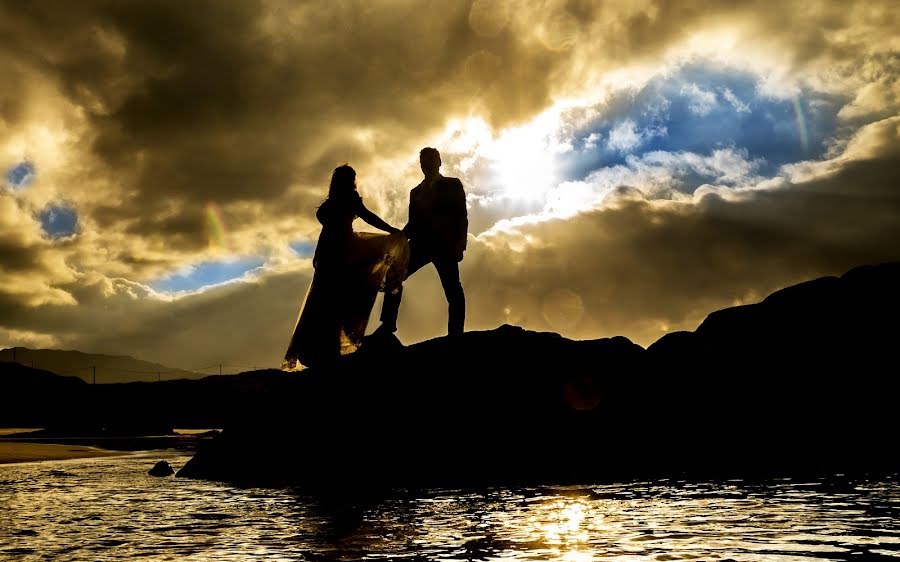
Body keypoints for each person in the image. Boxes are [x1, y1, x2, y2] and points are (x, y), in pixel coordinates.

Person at [283, 164, 408, 370]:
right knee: (328, 301)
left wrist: (391, 230)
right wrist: (392, 230)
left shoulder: (336, 201)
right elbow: (368, 217)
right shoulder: (344, 199)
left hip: (336, 251)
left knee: (329, 300)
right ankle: (323, 350)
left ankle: (325, 350)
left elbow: (367, 217)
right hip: (334, 251)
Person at [377, 147, 467, 336]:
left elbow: (461, 215)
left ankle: (456, 333)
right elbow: (413, 222)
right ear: (421, 165)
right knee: (393, 274)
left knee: (453, 289)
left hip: (445, 245)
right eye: (424, 161)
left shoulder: (453, 184)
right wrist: (400, 237)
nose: (427, 164)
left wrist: (460, 244)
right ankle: (388, 325)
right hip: (421, 244)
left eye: (432, 159)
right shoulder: (415, 192)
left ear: (439, 162)